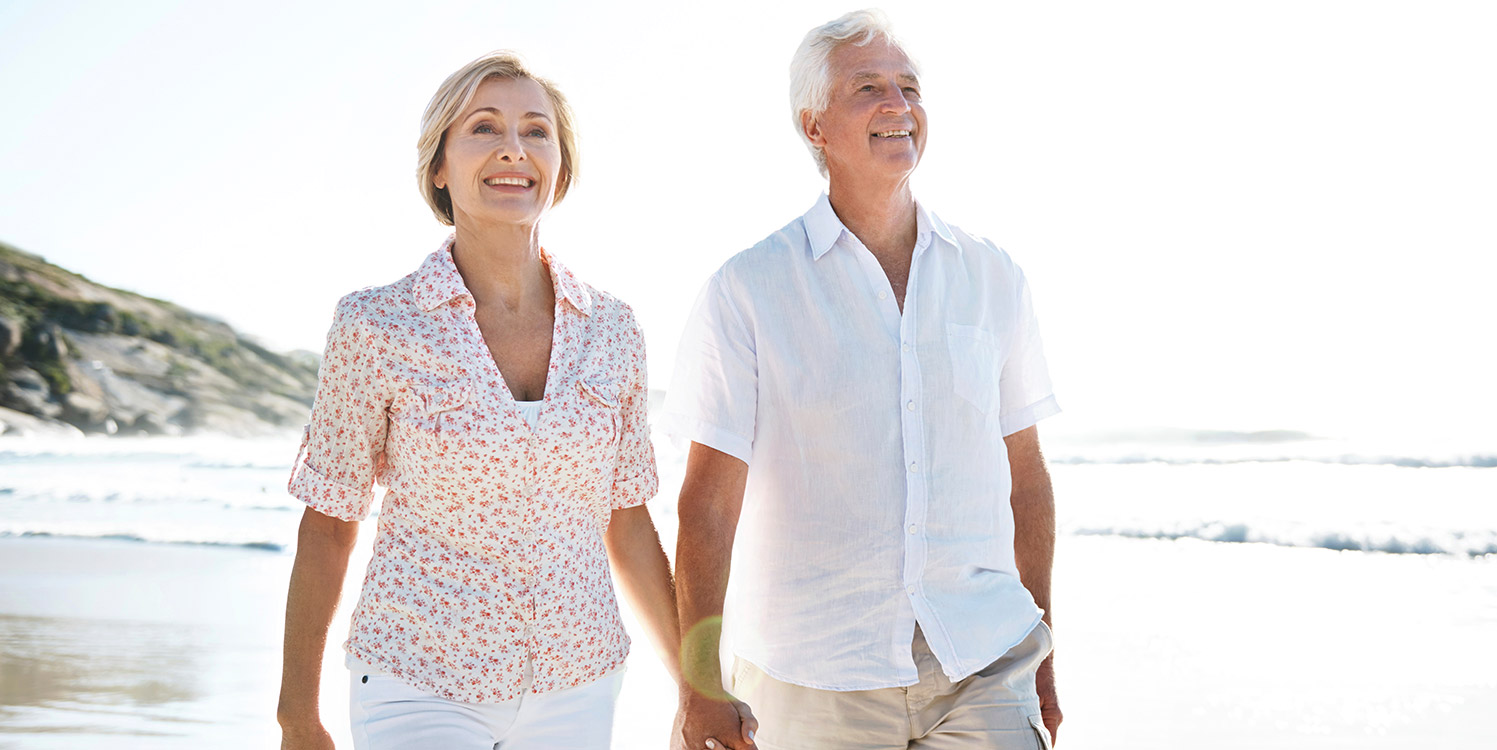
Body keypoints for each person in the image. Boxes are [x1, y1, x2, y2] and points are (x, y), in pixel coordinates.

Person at [667, 10, 1064, 750]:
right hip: (816, 674)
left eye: (910, 88)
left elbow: (1026, 477)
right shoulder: (749, 288)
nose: (898, 105)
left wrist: (1044, 645)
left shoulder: (993, 276)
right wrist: (699, 684)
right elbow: (708, 504)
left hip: (984, 656)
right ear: (814, 126)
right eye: (868, 88)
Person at [275, 51, 682, 750]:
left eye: (536, 131)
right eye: (484, 128)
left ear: (561, 164)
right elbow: (331, 522)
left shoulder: (614, 328)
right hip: (419, 681)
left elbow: (628, 520)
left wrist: (697, 684)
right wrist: (297, 717)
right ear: (440, 166)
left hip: (578, 682)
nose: (512, 150)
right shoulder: (378, 325)